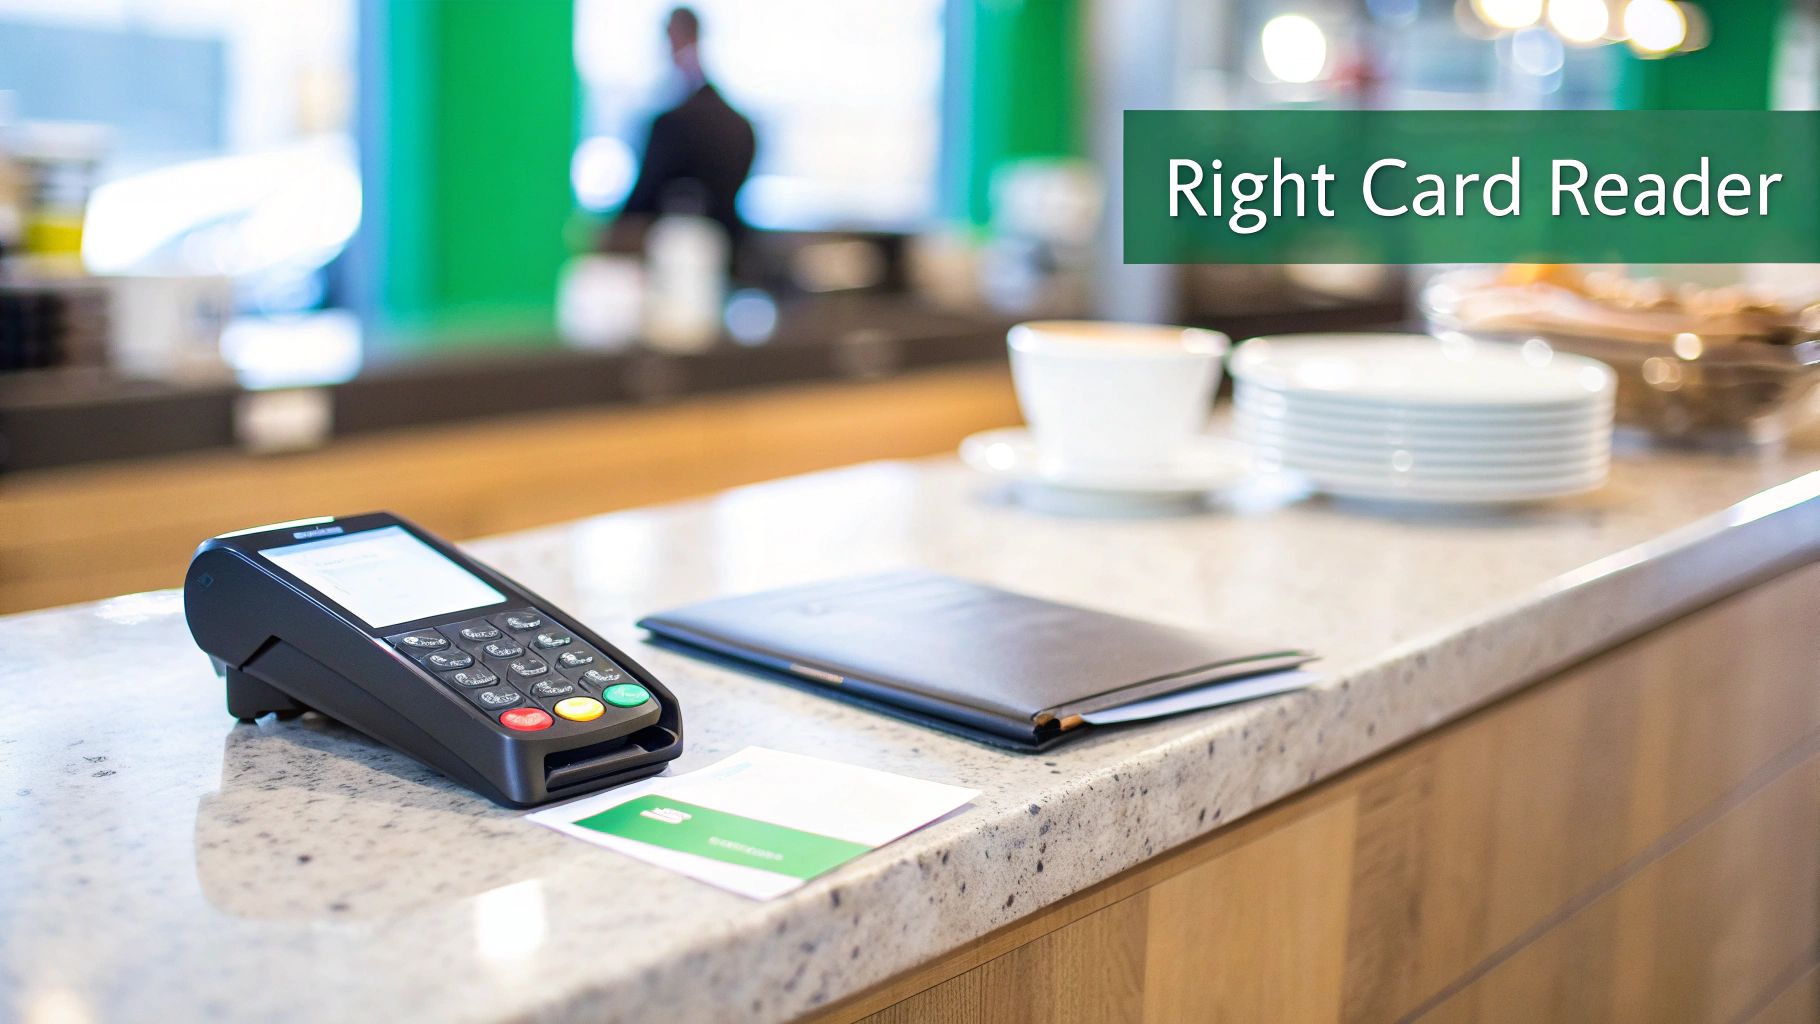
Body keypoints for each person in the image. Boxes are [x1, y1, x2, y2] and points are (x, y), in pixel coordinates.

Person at [609, 7, 756, 256]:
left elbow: (645, 193)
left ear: (674, 37)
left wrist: (615, 232)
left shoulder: (676, 122)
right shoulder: (738, 124)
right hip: (726, 248)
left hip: (678, 250)